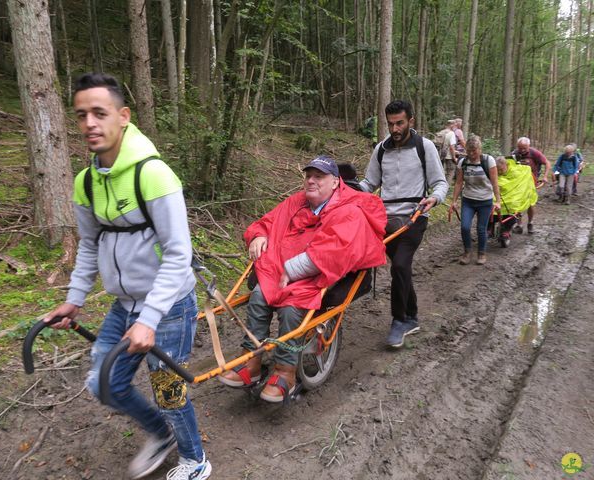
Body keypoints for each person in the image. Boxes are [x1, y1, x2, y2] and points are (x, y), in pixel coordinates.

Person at [43, 73, 211, 480]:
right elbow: (88, 244)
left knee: (169, 393)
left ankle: (195, 461)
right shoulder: (86, 182)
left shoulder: (154, 175)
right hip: (125, 304)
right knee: (103, 382)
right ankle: (160, 435)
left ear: (123, 116)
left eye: (99, 113)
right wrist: (75, 298)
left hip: (167, 306)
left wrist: (149, 320)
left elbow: (177, 255)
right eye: (81, 115)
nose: (89, 124)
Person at [219, 155, 387, 401]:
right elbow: (267, 222)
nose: (311, 181)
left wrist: (293, 270)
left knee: (290, 309)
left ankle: (286, 371)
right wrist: (258, 235)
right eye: (308, 176)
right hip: (282, 269)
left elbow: (336, 249)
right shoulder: (296, 202)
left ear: (334, 182)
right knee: (258, 297)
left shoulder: (349, 209)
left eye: (318, 177)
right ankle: (251, 361)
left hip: (318, 276)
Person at [359, 100, 448, 348]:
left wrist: (435, 197)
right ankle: (412, 317)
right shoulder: (381, 150)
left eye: (399, 123)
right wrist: (349, 190)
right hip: (385, 220)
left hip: (414, 217)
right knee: (402, 269)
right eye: (390, 124)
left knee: (399, 266)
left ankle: (399, 320)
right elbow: (369, 183)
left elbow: (440, 182)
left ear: (411, 121)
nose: (395, 129)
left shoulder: (425, 147)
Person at [448, 136, 501, 265]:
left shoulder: (489, 161)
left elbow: (494, 183)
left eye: (474, 151)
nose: (471, 154)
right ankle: (467, 252)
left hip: (485, 200)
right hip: (468, 200)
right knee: (465, 227)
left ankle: (481, 253)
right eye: (469, 151)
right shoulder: (463, 162)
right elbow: (459, 183)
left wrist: (498, 201)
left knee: (481, 228)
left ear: (479, 149)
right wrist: (454, 201)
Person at [511, 137, 552, 234]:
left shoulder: (534, 153)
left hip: (531, 181)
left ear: (528, 146)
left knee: (530, 203)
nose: (522, 150)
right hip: (519, 182)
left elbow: (547, 163)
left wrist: (545, 176)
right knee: (517, 203)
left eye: (524, 148)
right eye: (520, 148)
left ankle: (530, 223)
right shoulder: (515, 153)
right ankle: (519, 225)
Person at [436, 119, 458, 184]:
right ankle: (446, 188)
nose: (455, 127)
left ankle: (439, 185)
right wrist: (454, 157)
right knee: (450, 172)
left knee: (441, 171)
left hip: (440, 155)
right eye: (454, 125)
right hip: (449, 156)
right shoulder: (451, 133)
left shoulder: (442, 132)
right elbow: (451, 147)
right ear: (452, 125)